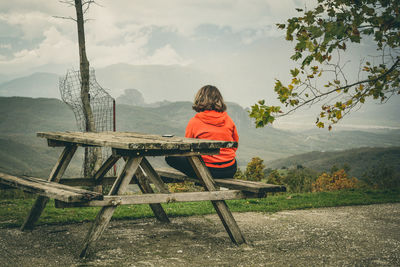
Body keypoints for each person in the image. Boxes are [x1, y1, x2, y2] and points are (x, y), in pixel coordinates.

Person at [165, 85, 238, 179]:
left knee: (170, 158)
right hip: (229, 169)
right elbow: (235, 144)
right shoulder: (228, 120)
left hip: (207, 170)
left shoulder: (194, 122)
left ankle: (201, 179)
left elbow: (186, 149)